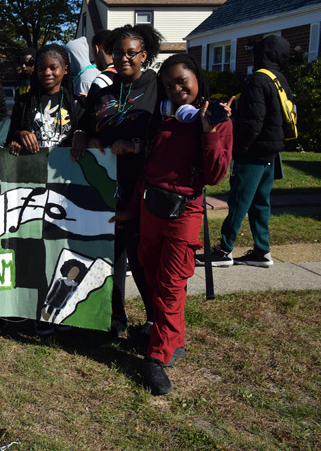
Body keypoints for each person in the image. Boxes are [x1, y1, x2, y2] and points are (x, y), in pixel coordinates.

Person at [111, 54, 233, 395]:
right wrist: (132, 210)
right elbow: (149, 172)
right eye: (169, 86)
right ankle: (170, 339)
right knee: (150, 276)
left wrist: (209, 132)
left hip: (184, 214)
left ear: (197, 78)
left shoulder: (215, 120)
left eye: (183, 81)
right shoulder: (165, 120)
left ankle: (157, 357)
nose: (178, 90)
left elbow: (215, 174)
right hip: (151, 210)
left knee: (170, 285)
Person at [71, 23, 163, 341]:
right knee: (111, 254)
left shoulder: (156, 85)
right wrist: (85, 134)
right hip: (107, 185)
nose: (124, 58)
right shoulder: (103, 86)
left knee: (141, 257)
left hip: (143, 186)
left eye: (131, 53)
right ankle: (115, 317)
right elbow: (85, 121)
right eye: (118, 52)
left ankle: (155, 321)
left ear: (144, 55)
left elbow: (167, 133)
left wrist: (137, 145)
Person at [197, 35, 292, 268]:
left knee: (239, 201)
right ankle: (262, 251)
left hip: (252, 152)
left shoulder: (256, 80)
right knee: (261, 202)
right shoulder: (280, 80)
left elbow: (253, 122)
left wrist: (236, 150)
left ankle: (223, 251)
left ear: (263, 54)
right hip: (272, 152)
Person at [9, 44, 84, 155]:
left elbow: (88, 133)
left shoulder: (76, 104)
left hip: (66, 169)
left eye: (53, 68)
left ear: (65, 69)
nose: (47, 73)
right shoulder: (24, 102)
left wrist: (82, 134)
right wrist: (20, 135)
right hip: (33, 167)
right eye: (41, 68)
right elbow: (10, 135)